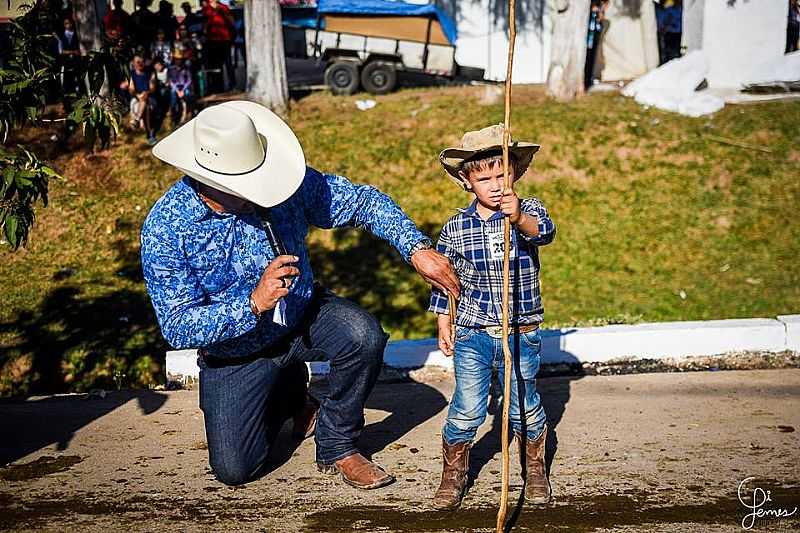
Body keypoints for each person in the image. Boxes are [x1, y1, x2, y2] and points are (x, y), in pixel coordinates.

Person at [141, 101, 460, 488]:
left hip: (302, 316)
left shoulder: (282, 183)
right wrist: (253, 304)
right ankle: (291, 398)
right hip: (237, 351)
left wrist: (416, 248)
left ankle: (338, 443)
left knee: (362, 335)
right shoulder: (166, 228)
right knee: (235, 470)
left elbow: (362, 201)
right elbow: (176, 326)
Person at [429, 124, 556, 509]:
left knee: (522, 403)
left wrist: (518, 218)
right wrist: (443, 320)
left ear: (516, 172)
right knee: (468, 405)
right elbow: (445, 280)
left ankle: (534, 469)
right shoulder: (455, 226)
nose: (496, 185)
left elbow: (544, 233)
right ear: (467, 182)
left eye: (503, 174)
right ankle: (453, 474)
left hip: (520, 331)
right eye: (485, 178)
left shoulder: (527, 210)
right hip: (473, 332)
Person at [122, 55, 158, 145]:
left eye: (142, 61)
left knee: (145, 102)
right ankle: (149, 135)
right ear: (133, 63)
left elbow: (152, 88)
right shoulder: (131, 74)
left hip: (150, 98)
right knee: (145, 107)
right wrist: (139, 96)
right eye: (138, 62)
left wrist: (146, 93)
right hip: (136, 98)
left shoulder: (150, 72)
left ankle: (137, 120)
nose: (140, 64)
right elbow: (131, 90)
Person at [203, 0, 235, 92]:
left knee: (228, 63)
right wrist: (215, 12)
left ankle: (232, 85)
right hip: (213, 41)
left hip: (225, 40)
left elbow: (232, 21)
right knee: (217, 65)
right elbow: (205, 24)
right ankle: (218, 87)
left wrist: (224, 13)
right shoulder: (207, 9)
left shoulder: (224, 7)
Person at [57, 17, 82, 97]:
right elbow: (61, 51)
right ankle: (66, 94)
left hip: (76, 60)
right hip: (66, 61)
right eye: (66, 23)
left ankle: (79, 92)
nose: (68, 25)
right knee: (66, 77)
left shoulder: (77, 34)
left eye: (70, 23)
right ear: (64, 25)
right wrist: (73, 52)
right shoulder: (61, 36)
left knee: (78, 76)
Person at [167, 49, 193, 125]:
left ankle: (189, 113)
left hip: (184, 86)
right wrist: (178, 90)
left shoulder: (186, 68)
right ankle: (173, 115)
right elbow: (171, 81)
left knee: (188, 94)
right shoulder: (171, 69)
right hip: (175, 87)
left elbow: (189, 80)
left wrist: (183, 89)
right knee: (173, 96)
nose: (178, 61)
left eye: (180, 59)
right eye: (177, 59)